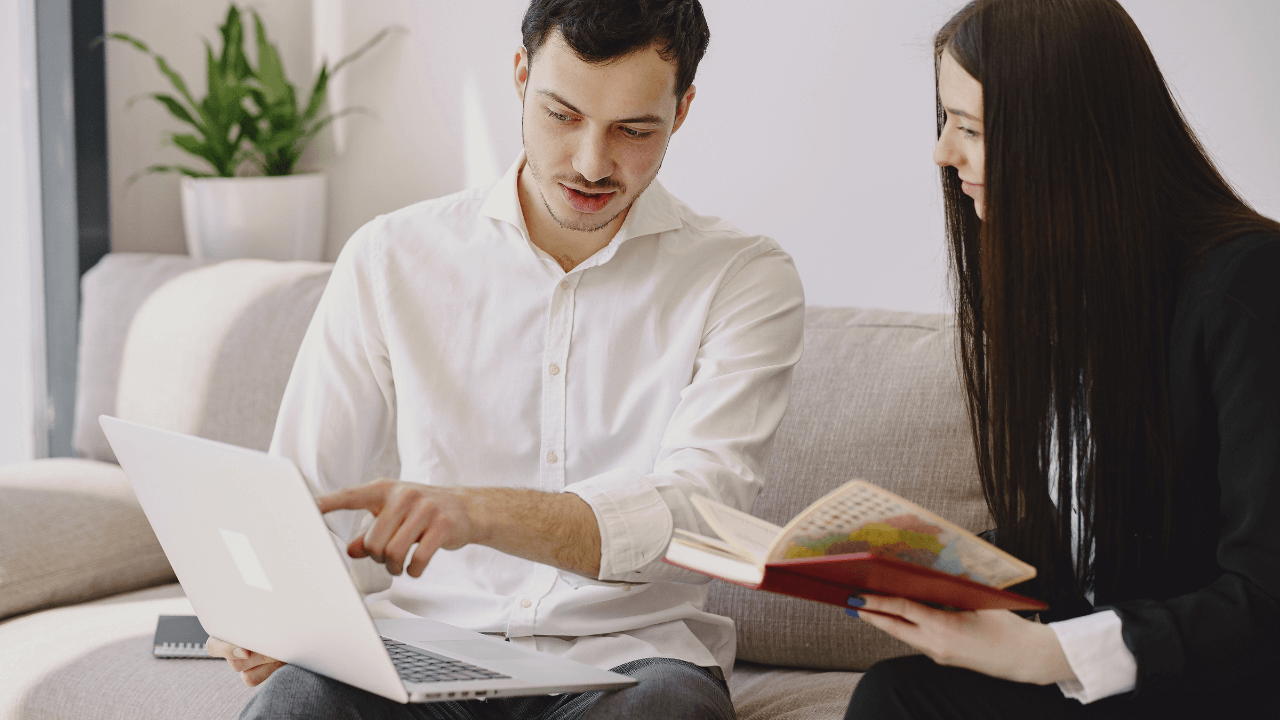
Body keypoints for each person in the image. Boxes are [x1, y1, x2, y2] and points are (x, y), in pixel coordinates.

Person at [205, 1, 806, 718]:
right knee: (294, 702)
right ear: (520, 76)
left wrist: (477, 512)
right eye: (562, 115)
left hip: (630, 664)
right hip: (422, 655)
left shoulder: (742, 277)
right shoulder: (390, 257)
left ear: (681, 113)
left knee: (669, 710)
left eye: (633, 130)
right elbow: (302, 493)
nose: (591, 162)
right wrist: (276, 614)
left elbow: (699, 516)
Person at [842, 0, 1280, 717]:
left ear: (1067, 140)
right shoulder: (1062, 298)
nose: (943, 153)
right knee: (895, 696)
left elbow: (1265, 595)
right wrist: (931, 565)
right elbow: (1093, 555)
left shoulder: (1251, 285)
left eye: (972, 129)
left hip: (1215, 688)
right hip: (1115, 682)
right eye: (946, 121)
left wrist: (1046, 653)